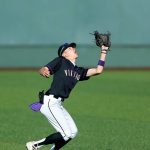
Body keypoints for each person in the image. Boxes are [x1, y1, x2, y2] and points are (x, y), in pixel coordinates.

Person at [26, 42, 109, 150]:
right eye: (70, 48)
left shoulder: (79, 71)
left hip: (58, 104)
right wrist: (44, 71)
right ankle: (34, 145)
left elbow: (98, 70)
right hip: (50, 102)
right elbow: (43, 69)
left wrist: (104, 51)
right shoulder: (61, 61)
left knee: (73, 132)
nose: (73, 48)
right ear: (64, 54)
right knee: (65, 133)